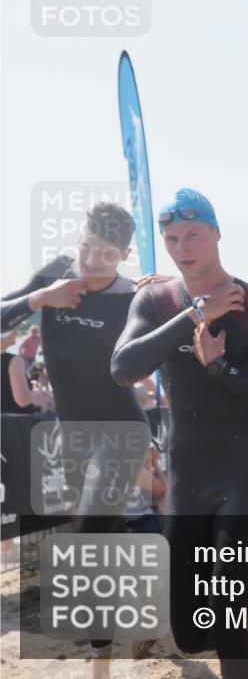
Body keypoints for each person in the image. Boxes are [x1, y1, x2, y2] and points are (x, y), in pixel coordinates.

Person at [111, 188, 248, 679]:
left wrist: (220, 369)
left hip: (246, 476)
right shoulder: (155, 302)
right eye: (172, 238)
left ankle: (240, 638)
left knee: (222, 615)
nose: (182, 247)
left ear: (217, 232)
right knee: (191, 631)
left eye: (193, 234)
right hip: (188, 480)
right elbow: (122, 367)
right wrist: (195, 312)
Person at [1, 202, 152, 678]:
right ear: (79, 237)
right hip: (72, 437)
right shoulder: (57, 276)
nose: (90, 261)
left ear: (124, 253)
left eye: (105, 254)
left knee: (86, 540)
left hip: (122, 433)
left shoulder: (135, 296)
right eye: (86, 247)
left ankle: (99, 667)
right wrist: (39, 299)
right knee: (102, 540)